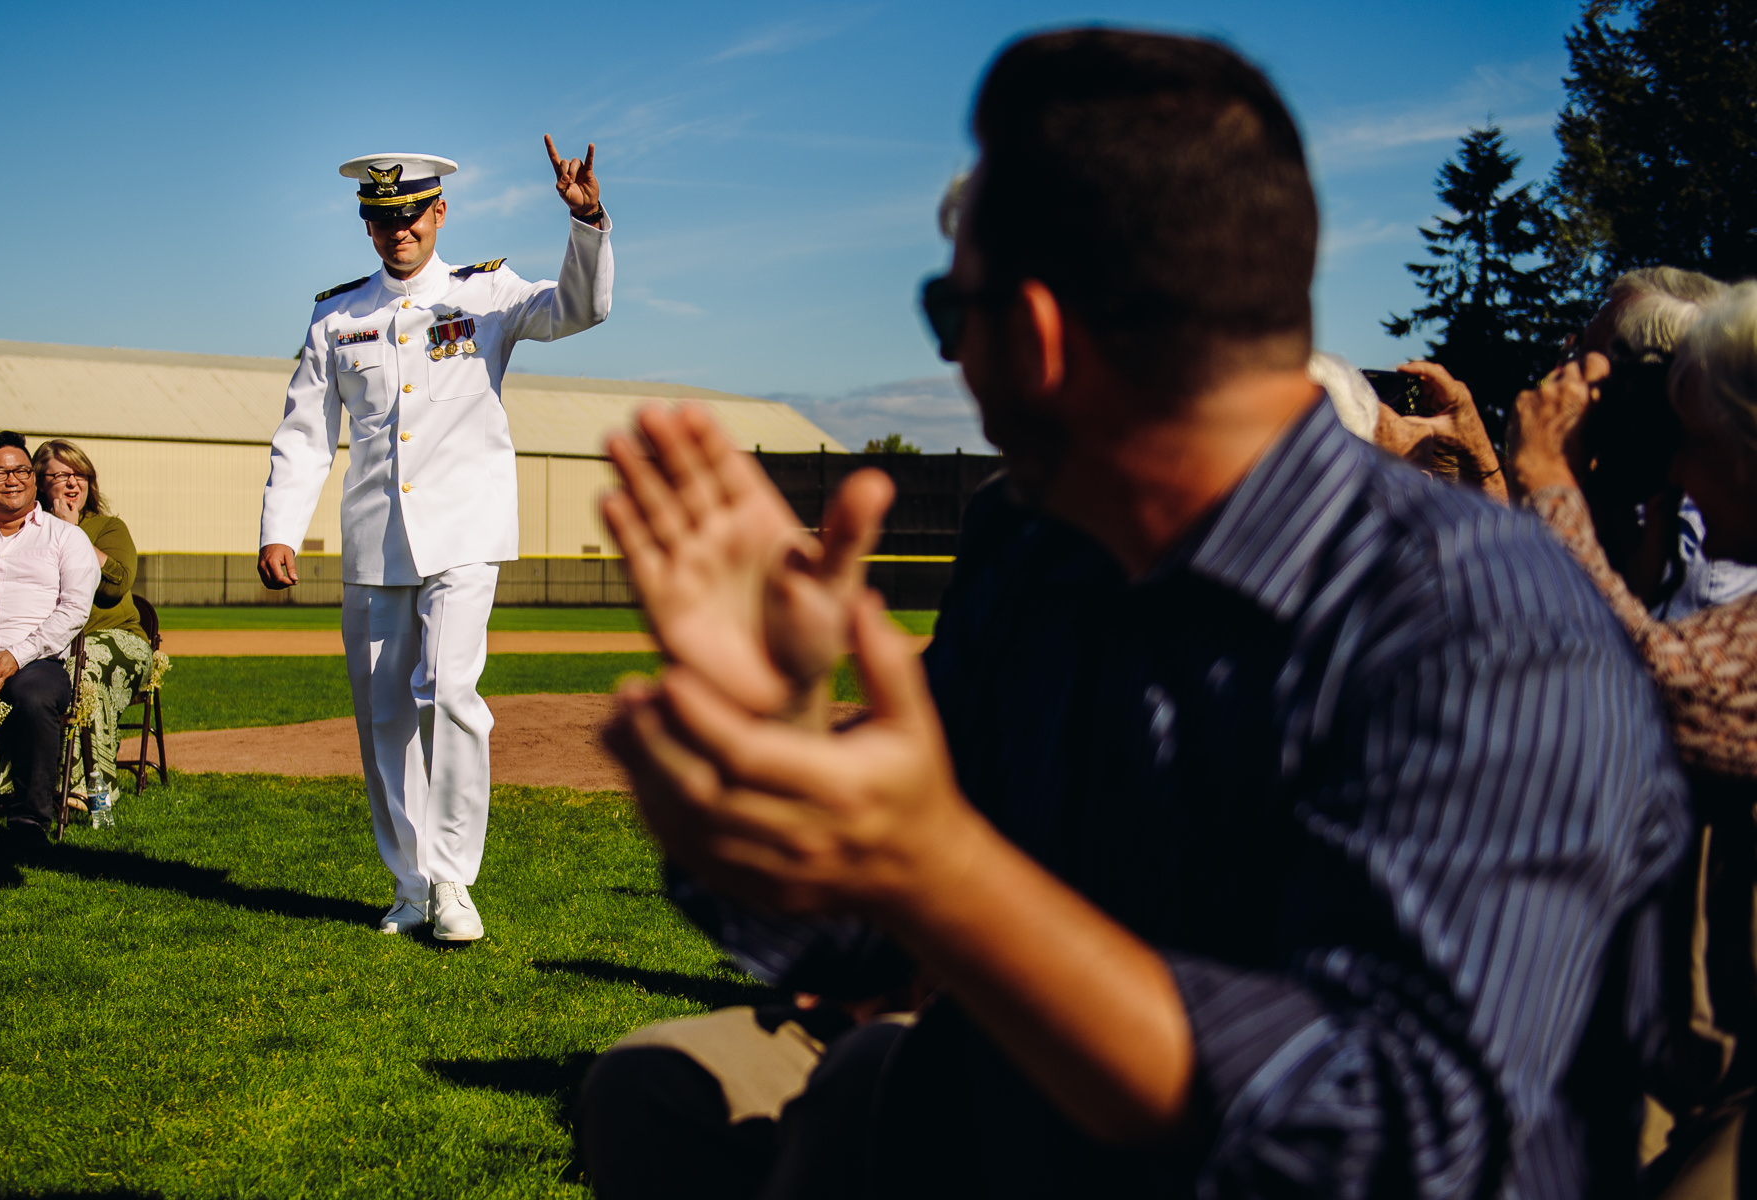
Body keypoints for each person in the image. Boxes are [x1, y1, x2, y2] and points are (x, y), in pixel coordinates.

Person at [582, 30, 1690, 1198]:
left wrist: (941, 866)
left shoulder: (1479, 622)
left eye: (947, 312)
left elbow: (1397, 1146)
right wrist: (780, 757)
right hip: (1036, 1129)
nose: (954, 360)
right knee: (690, 1101)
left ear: (1039, 337)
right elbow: (863, 946)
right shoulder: (1044, 561)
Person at [257, 141, 614, 942]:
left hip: (465, 531)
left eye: (410, 215)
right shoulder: (336, 316)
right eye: (381, 220)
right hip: (375, 543)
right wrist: (281, 527)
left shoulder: (486, 294)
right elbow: (307, 435)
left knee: (450, 694)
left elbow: (579, 310)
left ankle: (454, 881)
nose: (397, 232)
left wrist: (587, 221)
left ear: (439, 212)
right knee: (382, 715)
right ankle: (409, 883)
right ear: (368, 225)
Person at [1516, 284, 1757, 1196]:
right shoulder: (1663, 537)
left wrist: (1545, 483)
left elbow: (1647, 685)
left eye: (1695, 441)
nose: (1682, 473)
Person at [0, 432, 99, 843]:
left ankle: (28, 821)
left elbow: (74, 611)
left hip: (35, 661)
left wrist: (17, 656)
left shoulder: (66, 538)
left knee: (34, 698)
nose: (13, 479)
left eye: (21, 470)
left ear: (34, 479)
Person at [32, 439, 151, 813]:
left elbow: (117, 584)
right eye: (61, 475)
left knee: (87, 669)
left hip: (118, 640)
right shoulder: (31, 532)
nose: (73, 483)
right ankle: (22, 787)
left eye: (79, 474)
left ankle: (95, 795)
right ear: (38, 483)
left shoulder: (107, 527)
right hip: (57, 645)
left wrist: (73, 534)